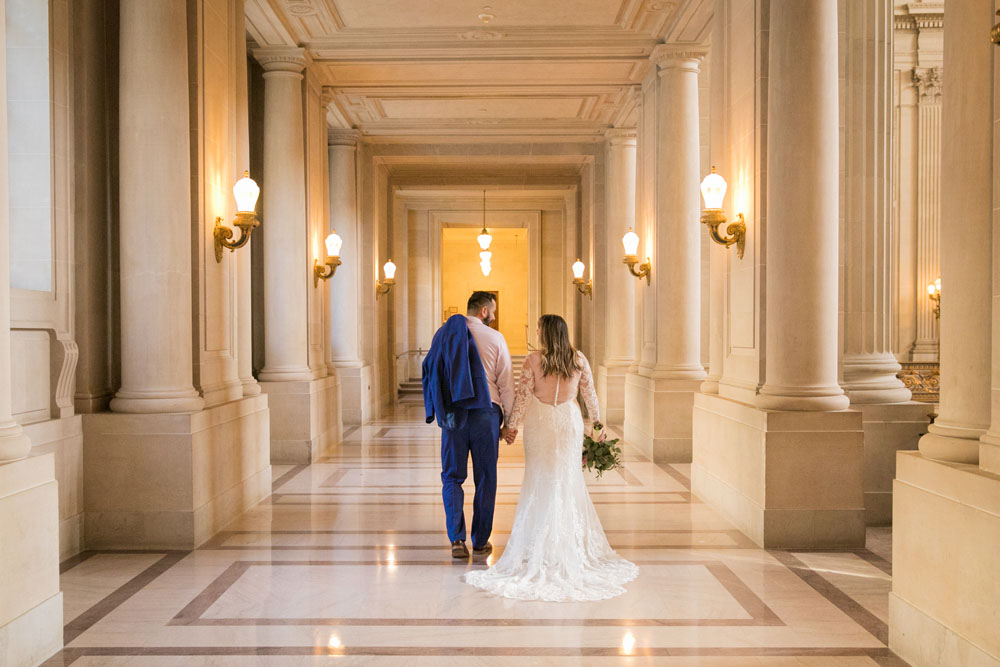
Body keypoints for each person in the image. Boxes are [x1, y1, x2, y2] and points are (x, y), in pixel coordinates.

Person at [464, 314, 638, 601]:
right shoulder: (578, 359)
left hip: (541, 423)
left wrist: (511, 427)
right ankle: (565, 543)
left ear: (545, 333)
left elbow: (521, 396)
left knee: (539, 479)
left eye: (538, 329)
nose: (536, 332)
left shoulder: (533, 361)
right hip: (568, 421)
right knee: (566, 479)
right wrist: (597, 425)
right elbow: (590, 395)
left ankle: (538, 544)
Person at [422, 291, 513, 559]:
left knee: (452, 477)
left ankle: (457, 541)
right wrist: (508, 422)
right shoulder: (495, 338)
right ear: (484, 311)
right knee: (486, 478)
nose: (494, 317)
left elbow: (431, 371)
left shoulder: (442, 335)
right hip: (486, 413)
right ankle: (481, 540)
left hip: (454, 415)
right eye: (493, 312)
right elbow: (506, 384)